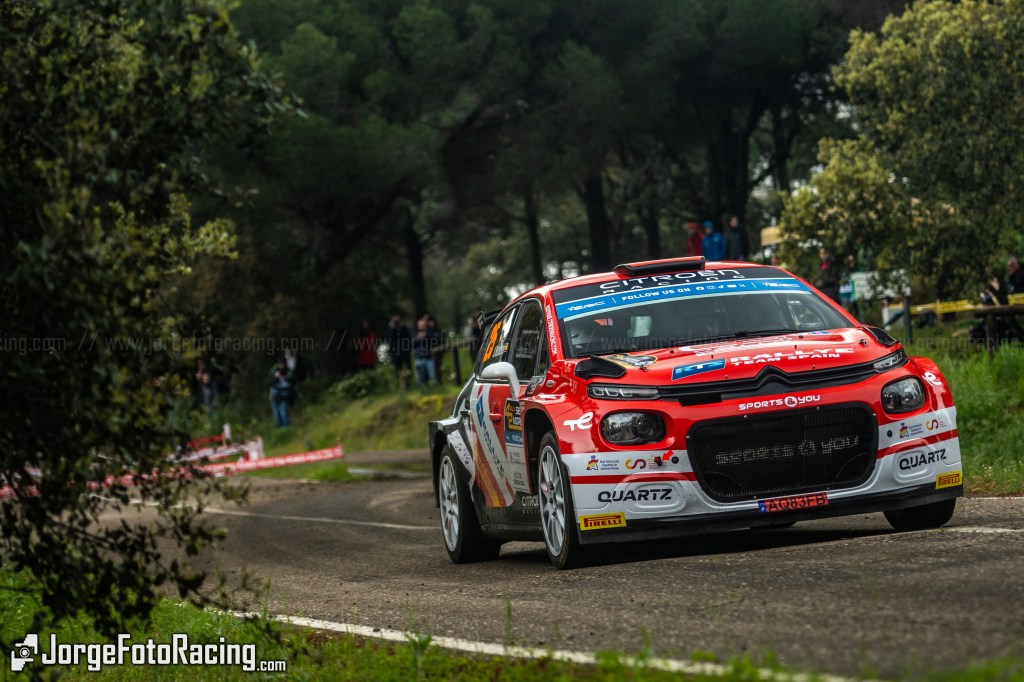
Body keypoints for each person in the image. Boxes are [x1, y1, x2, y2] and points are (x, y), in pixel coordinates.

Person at [267, 358, 295, 427]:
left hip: (285, 393)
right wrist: (276, 377)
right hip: (275, 393)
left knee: (283, 411)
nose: (281, 367)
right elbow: (269, 382)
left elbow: (293, 382)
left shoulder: (289, 371)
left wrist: (286, 377)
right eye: (280, 365)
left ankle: (286, 427)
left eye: (283, 365)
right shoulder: (273, 371)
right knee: (276, 412)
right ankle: (279, 428)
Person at [412, 319, 436, 386]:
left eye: (423, 325)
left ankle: (434, 388)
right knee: (420, 378)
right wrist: (418, 338)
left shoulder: (430, 332)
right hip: (419, 358)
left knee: (432, 377)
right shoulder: (415, 334)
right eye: (420, 325)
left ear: (425, 325)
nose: (421, 326)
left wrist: (426, 336)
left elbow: (435, 340)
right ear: (418, 326)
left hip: (429, 358)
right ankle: (422, 390)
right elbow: (411, 344)